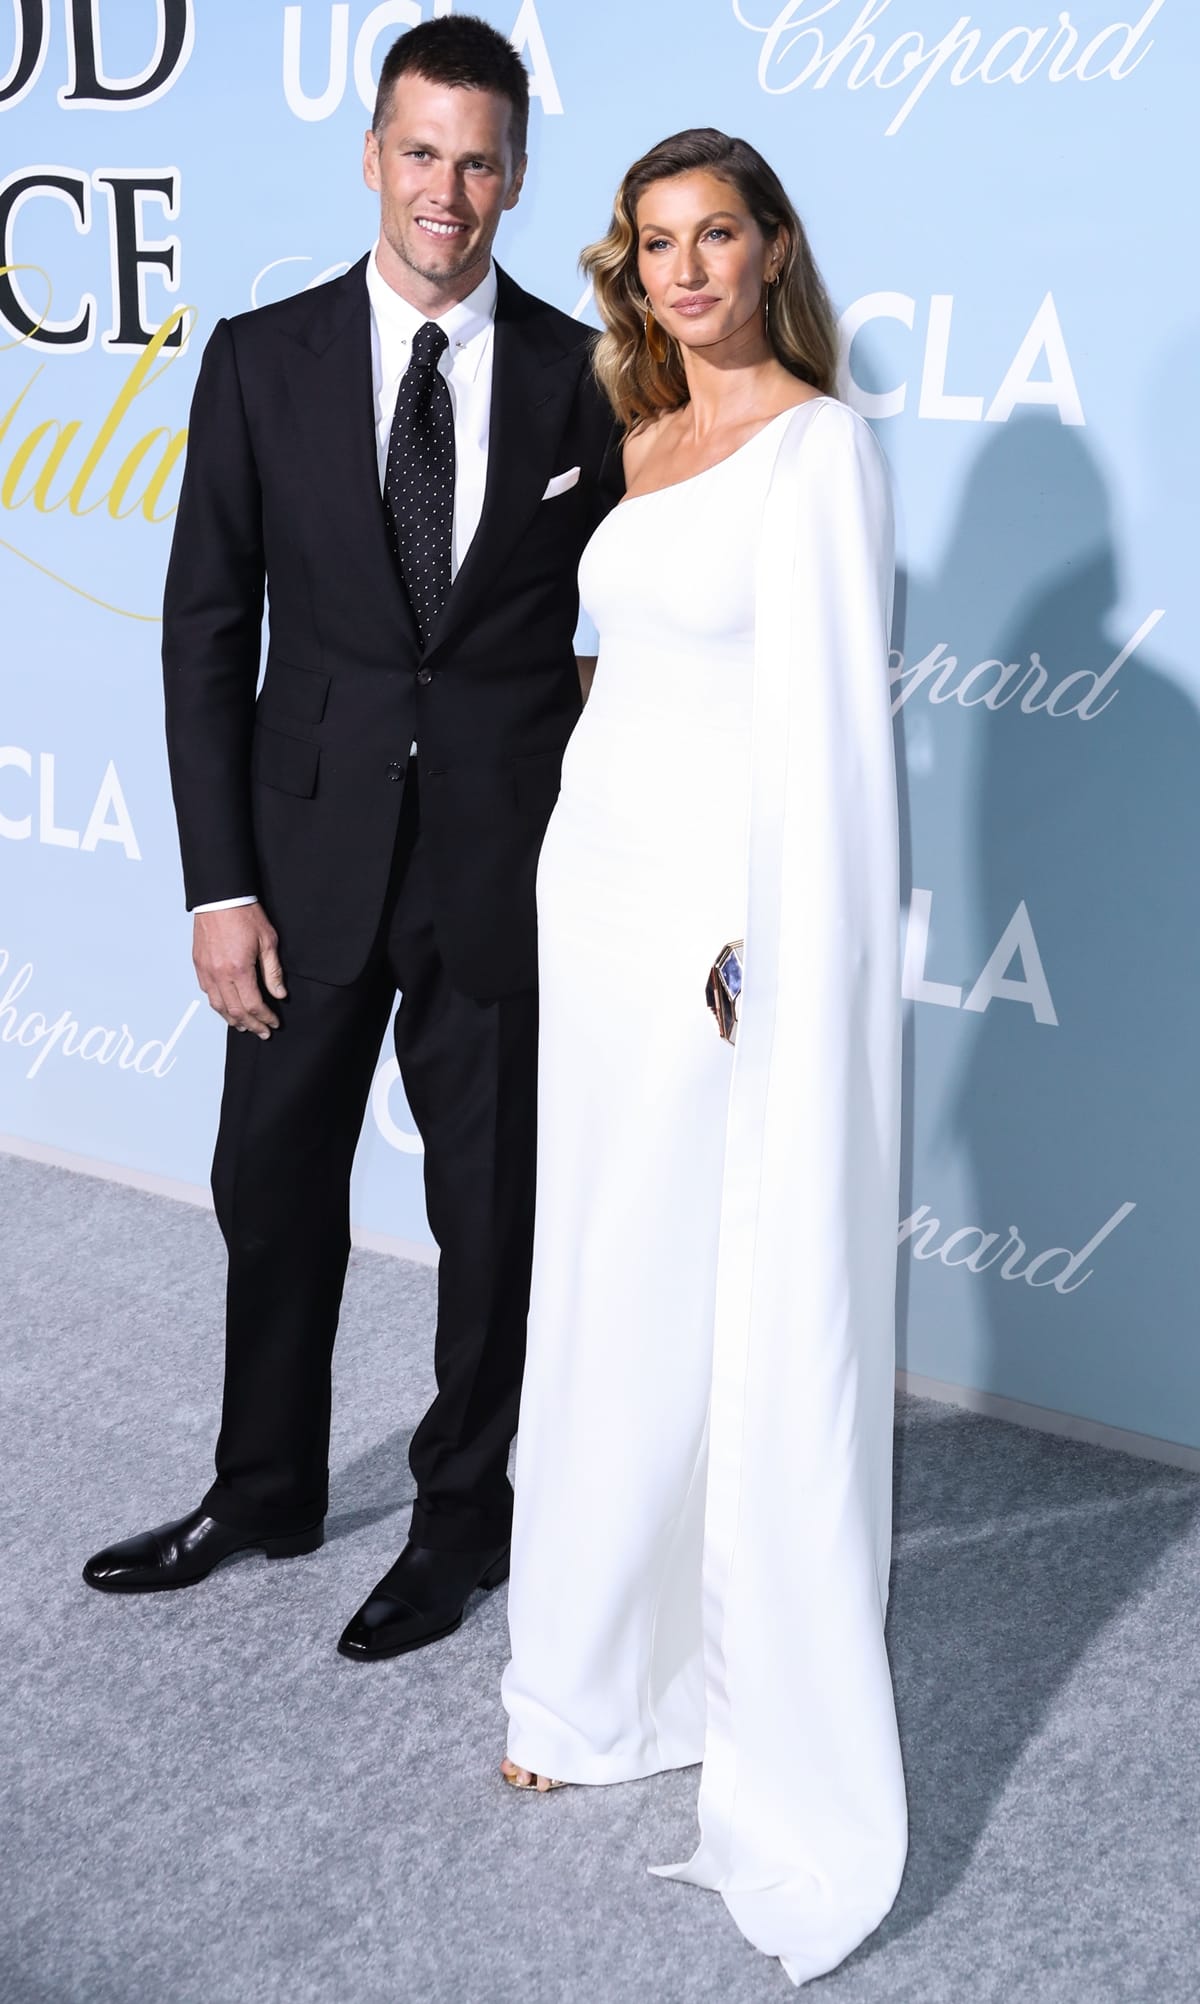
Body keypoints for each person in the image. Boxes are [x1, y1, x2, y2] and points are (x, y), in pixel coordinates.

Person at [82, 16, 619, 1661]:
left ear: (515, 176)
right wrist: (219, 883)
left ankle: (466, 1517)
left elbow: (645, 627)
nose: (445, 188)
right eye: (419, 150)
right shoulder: (259, 357)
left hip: (501, 878)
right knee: (272, 1185)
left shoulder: (583, 376)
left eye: (477, 158)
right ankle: (265, 1489)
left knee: (491, 1221)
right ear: (371, 154)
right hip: (302, 872)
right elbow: (202, 639)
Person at [499, 130, 906, 1986]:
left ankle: (652, 1683)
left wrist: (772, 932)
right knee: (595, 1281)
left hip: (712, 939)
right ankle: (593, 1679)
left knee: (686, 1289)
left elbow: (827, 734)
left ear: (769, 252)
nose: (683, 270)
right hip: (590, 896)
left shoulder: (822, 445)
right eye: (655, 242)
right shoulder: (639, 437)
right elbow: (633, 678)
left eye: (714, 236)